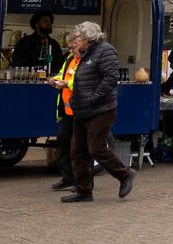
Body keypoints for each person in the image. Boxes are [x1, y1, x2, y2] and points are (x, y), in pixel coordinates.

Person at [61, 21, 136, 203]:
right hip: (82, 110)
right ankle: (84, 191)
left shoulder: (105, 50)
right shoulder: (84, 54)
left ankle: (125, 174)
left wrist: (92, 98)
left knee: (97, 148)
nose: (75, 40)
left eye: (77, 37)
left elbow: (111, 78)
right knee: (78, 151)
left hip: (101, 109)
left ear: (88, 37)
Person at [47, 30, 83, 190]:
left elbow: (84, 83)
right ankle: (68, 176)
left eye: (72, 47)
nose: (70, 50)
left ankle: (82, 180)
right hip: (67, 111)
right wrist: (55, 80)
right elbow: (63, 74)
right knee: (62, 140)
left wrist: (66, 84)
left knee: (79, 147)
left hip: (81, 111)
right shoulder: (70, 59)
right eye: (69, 47)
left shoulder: (86, 61)